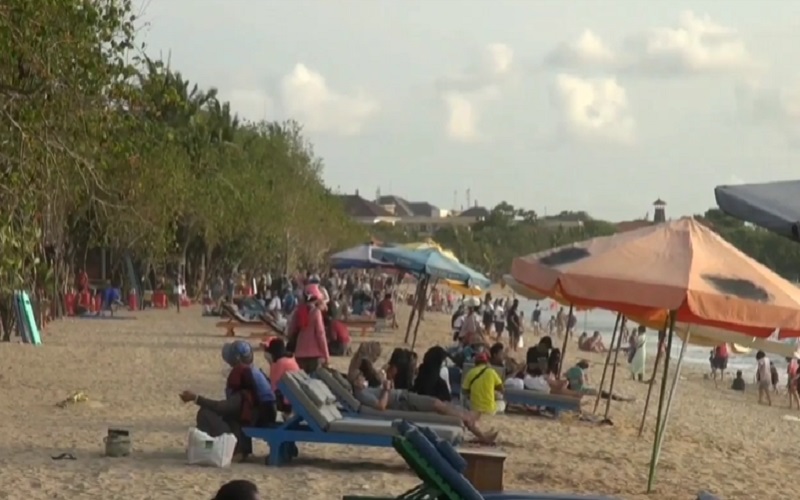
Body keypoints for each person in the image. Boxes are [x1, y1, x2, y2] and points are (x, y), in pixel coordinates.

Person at [180, 342, 277, 462]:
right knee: (219, 416)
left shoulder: (243, 391)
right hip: (262, 414)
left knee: (205, 413)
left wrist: (196, 398)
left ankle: (212, 447)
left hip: (258, 417)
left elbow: (221, 407)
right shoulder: (253, 373)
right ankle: (204, 447)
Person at [353, 371, 498, 444]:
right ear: (355, 382)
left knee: (443, 405)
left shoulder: (363, 390)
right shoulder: (361, 394)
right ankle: (478, 431)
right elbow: (381, 406)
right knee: (438, 405)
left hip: (404, 397)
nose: (363, 378)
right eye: (360, 377)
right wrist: (386, 389)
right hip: (404, 401)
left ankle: (476, 429)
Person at [286, 284, 330, 373]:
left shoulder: (298, 311)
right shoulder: (316, 312)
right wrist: (326, 355)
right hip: (315, 354)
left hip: (299, 353)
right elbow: (320, 335)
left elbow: (290, 331)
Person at [264, 338, 300, 412]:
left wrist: (271, 363)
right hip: (295, 396)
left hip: (286, 401)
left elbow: (272, 385)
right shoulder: (291, 359)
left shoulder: (279, 363)